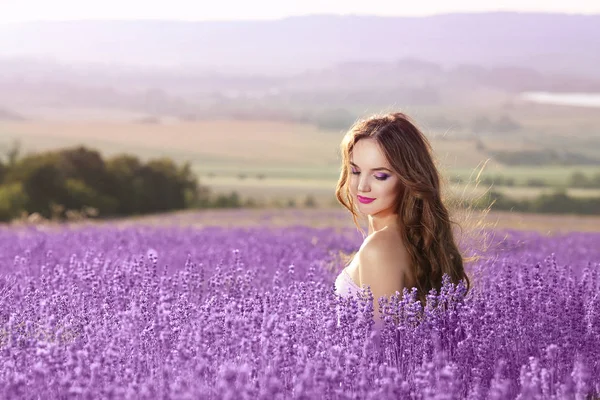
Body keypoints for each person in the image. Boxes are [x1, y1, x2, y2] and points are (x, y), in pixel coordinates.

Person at [333, 111, 471, 329]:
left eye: (380, 176)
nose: (362, 186)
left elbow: (383, 352)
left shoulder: (379, 248)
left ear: (408, 180)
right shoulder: (415, 242)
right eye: (355, 171)